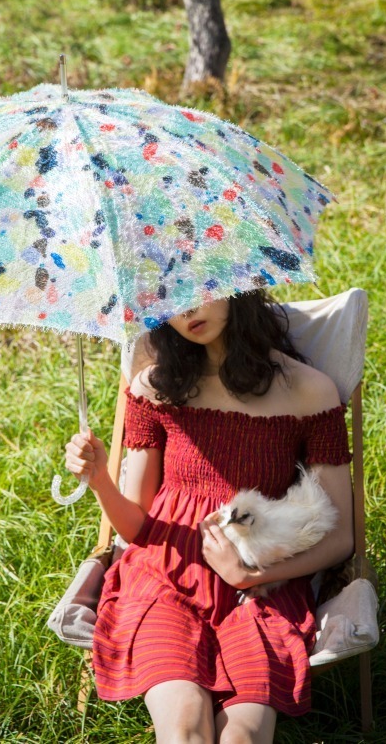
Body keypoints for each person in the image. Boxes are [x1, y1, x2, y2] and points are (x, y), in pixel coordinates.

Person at [65, 291, 354, 744]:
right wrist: (101, 478)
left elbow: (340, 537)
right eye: (169, 301)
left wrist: (249, 574)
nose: (186, 312)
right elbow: (138, 528)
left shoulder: (308, 391)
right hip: (164, 579)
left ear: (237, 286)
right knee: (183, 730)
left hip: (262, 589)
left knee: (244, 737)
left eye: (198, 295)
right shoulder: (156, 387)